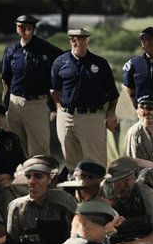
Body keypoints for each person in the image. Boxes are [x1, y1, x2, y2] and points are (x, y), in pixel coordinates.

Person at [50, 28, 118, 168]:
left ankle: (99, 189)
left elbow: (113, 95)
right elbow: (54, 89)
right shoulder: (59, 62)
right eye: (73, 39)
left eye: (80, 39)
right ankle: (76, 190)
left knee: (96, 163)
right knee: (72, 164)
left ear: (87, 40)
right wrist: (58, 108)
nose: (76, 42)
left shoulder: (100, 63)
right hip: (66, 117)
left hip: (92, 117)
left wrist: (111, 115)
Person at [0, 13, 63, 156]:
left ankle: (40, 177)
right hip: (14, 104)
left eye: (29, 28)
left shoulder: (46, 49)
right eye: (21, 27)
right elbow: (5, 80)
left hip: (37, 104)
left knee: (39, 150)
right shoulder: (11, 51)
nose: (25, 31)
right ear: (17, 28)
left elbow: (60, 69)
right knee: (16, 148)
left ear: (34, 29)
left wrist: (55, 105)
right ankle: (20, 177)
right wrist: (4, 105)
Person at [123, 96, 153, 166]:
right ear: (137, 110)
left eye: (151, 109)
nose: (146, 113)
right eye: (142, 108)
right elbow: (132, 162)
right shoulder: (134, 133)